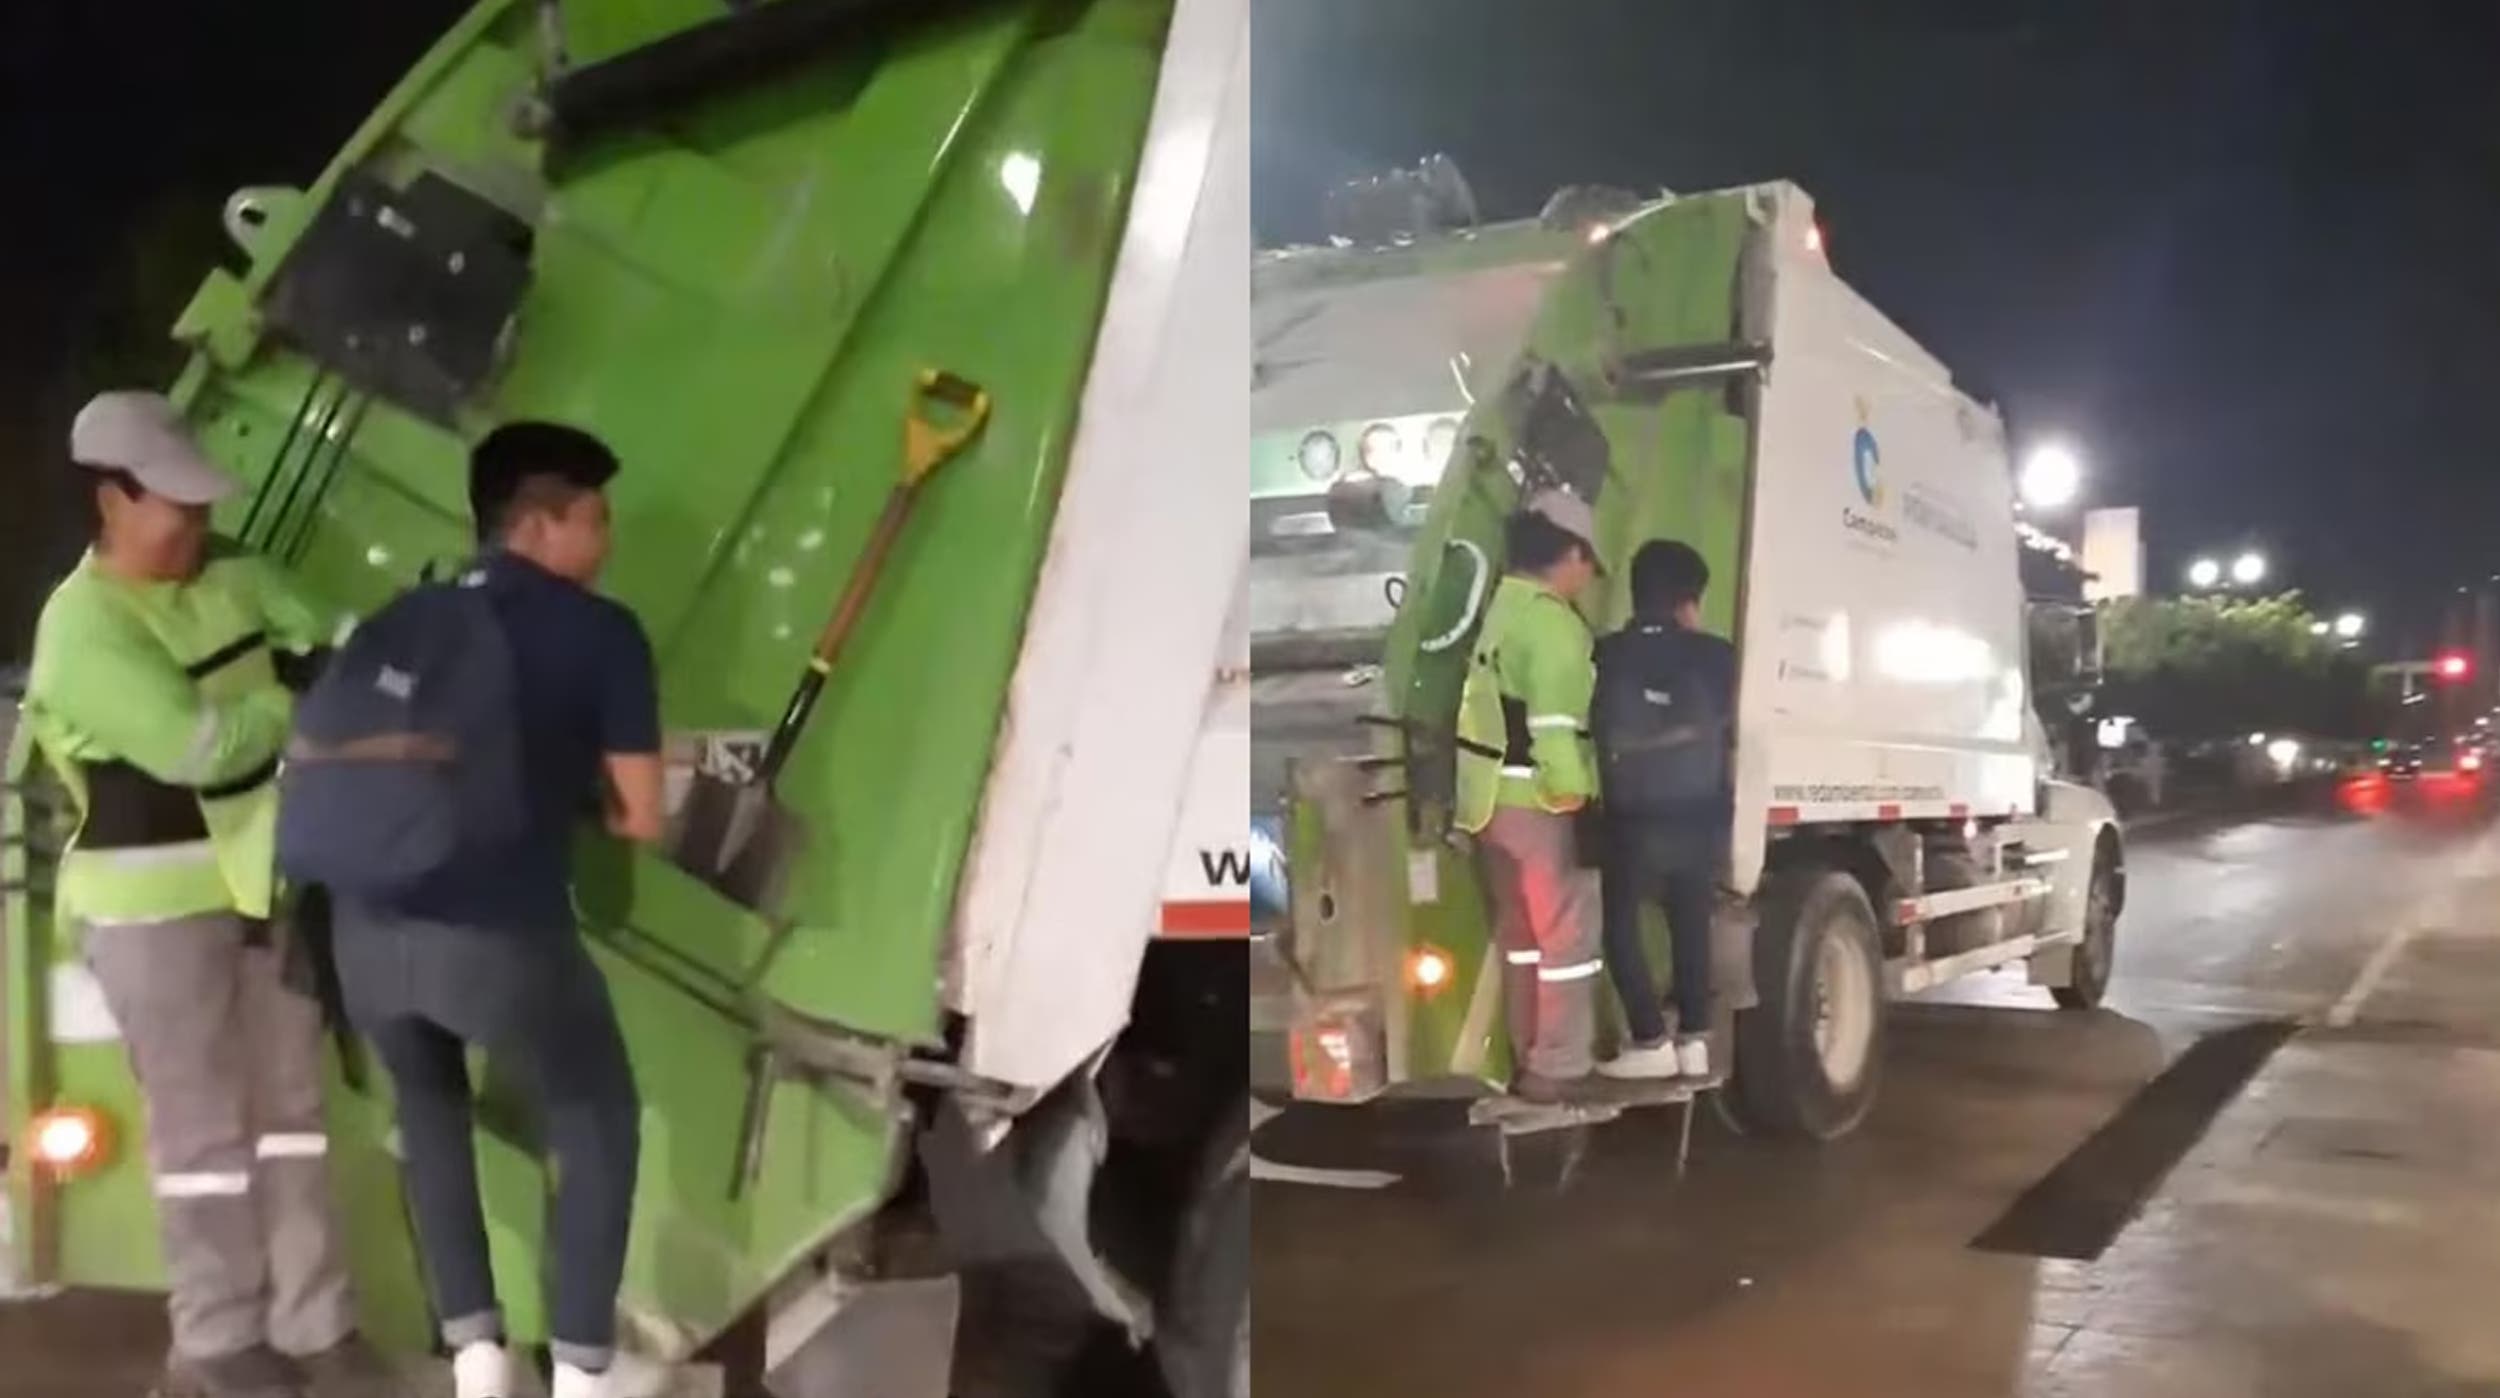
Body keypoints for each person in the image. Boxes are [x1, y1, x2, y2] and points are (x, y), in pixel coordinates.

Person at [23, 390, 393, 1398]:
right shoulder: (82, 629)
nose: (195, 524)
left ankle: (318, 1329)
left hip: (262, 890)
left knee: (293, 1115)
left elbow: (348, 642)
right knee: (202, 1135)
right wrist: (293, 694)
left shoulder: (233, 572)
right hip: (151, 913)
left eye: (201, 505)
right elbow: (204, 750)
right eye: (174, 506)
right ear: (111, 499)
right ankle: (218, 1343)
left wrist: (342, 670)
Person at [326, 423, 666, 1398]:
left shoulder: (405, 616)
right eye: (595, 520)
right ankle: (583, 1373)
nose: (605, 542)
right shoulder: (601, 632)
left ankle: (477, 1360)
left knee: (430, 1108)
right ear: (540, 524)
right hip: (493, 936)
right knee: (597, 1115)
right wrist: (581, 794)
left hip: (363, 934)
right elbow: (642, 815)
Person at [1453, 488, 1629, 1103]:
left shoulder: (1500, 608)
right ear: (1572, 553)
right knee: (1568, 942)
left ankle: (1527, 1051)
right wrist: (1574, 794)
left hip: (1489, 803)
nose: (1587, 579)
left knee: (1521, 939)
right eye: (1588, 565)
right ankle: (1559, 1067)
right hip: (1541, 802)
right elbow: (1554, 723)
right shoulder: (1553, 623)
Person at [1590, 540, 1737, 1081]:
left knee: (1620, 924)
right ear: (1687, 601)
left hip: (1632, 818)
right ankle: (1695, 1040)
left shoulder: (1605, 653)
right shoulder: (1718, 656)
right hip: (1700, 815)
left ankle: (1650, 1037)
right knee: (1690, 923)